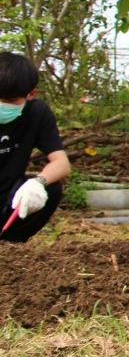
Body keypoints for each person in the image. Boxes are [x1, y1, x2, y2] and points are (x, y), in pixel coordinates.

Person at [0, 52, 70, 243]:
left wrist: (38, 182)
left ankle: (11, 246)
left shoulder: (36, 114)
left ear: (30, 94)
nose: (2, 105)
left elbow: (61, 163)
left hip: (7, 199)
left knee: (51, 188)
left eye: (10, 101)